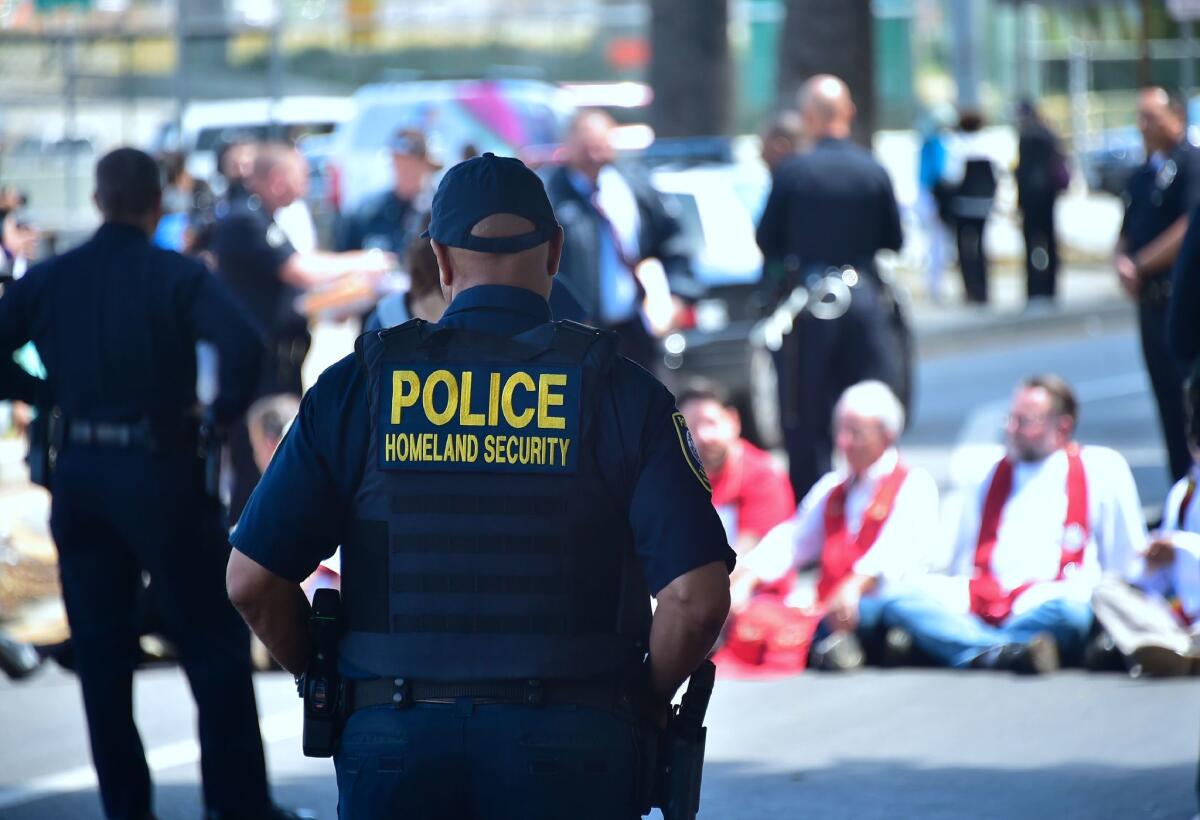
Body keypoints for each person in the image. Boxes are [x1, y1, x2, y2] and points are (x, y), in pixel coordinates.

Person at [225, 152, 734, 819]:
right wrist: (639, 701)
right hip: (573, 744)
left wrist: (329, 684)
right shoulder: (622, 393)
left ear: (440, 260)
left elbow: (251, 583)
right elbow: (696, 600)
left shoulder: (360, 387)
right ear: (554, 252)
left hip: (394, 741)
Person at [0, 147, 300, 820]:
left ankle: (126, 810)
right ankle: (239, 804)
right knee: (210, 644)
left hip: (79, 474)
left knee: (103, 661)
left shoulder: (52, 278)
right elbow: (246, 346)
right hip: (162, 469)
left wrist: (46, 394)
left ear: (101, 201)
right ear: (155, 204)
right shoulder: (176, 276)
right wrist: (217, 422)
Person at [882, 375, 1145, 674]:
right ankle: (1006, 650)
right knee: (899, 599)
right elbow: (956, 558)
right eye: (1011, 419)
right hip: (983, 596)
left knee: (1073, 615)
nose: (1012, 430)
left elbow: (1126, 559)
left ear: (1062, 426)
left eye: (1026, 421)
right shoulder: (986, 471)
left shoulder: (1101, 467)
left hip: (1049, 600)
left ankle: (966, 646)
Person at [210, 143, 392, 522]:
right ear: (277, 180)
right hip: (257, 372)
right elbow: (300, 271)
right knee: (258, 471)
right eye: (301, 175)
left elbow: (295, 294)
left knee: (275, 466)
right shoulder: (247, 220)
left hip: (279, 366)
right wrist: (366, 262)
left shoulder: (266, 219)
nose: (307, 184)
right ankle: (245, 560)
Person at [755, 74, 908, 502]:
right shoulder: (872, 168)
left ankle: (813, 510)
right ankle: (877, 507)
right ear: (849, 112)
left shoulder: (793, 172)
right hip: (864, 300)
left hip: (810, 302)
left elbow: (767, 240)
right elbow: (893, 239)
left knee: (805, 413)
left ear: (807, 117)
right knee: (874, 405)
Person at [721, 381, 939, 672]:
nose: (844, 442)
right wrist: (748, 578)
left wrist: (855, 584)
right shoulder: (833, 488)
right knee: (757, 610)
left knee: (894, 607)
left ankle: (978, 649)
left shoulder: (913, 484)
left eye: (856, 433)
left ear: (886, 436)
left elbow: (895, 552)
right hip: (835, 607)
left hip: (881, 600)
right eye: (841, 431)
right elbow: (793, 541)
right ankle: (846, 645)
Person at [545, 109, 691, 370]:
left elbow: (672, 243)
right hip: (578, 338)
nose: (594, 156)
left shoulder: (634, 186)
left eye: (600, 146)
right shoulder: (551, 197)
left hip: (636, 332)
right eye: (586, 148)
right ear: (568, 147)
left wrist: (678, 295)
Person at [1117, 87, 1200, 483]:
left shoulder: (1191, 164)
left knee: (1188, 398)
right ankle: (1178, 492)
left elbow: (1188, 229)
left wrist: (1140, 263)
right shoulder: (1143, 172)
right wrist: (1121, 262)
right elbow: (1127, 225)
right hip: (1148, 302)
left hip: (1178, 298)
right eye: (1140, 117)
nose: (1144, 126)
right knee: (1166, 399)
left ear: (1177, 117)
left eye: (1152, 116)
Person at [677, 381, 794, 555]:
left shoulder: (762, 475)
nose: (703, 436)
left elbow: (745, 558)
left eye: (710, 423)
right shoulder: (675, 478)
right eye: (690, 428)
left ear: (733, 420)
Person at [337, 128, 438, 257]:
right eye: (401, 162)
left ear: (427, 166)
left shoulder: (440, 211)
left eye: (414, 163)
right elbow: (344, 260)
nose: (407, 170)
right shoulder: (366, 212)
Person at [1015, 101, 1069, 303]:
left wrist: (1019, 201)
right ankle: (1050, 286)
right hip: (1048, 195)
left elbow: (1022, 171)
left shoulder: (1026, 136)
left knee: (1031, 244)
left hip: (1031, 197)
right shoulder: (1048, 134)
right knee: (1050, 242)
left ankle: (1034, 287)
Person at [943, 110, 997, 305]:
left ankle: (970, 290)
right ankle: (984, 290)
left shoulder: (957, 145)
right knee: (981, 246)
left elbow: (952, 177)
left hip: (963, 204)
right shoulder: (988, 144)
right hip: (983, 205)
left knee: (964, 249)